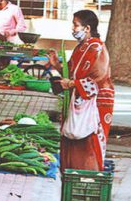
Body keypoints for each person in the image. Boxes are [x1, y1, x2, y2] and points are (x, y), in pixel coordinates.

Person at [47, 10, 115, 172]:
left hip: (95, 102)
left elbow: (99, 77)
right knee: (73, 139)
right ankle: (72, 173)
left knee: (89, 141)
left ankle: (89, 175)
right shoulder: (81, 48)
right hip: (79, 98)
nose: (73, 28)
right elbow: (71, 72)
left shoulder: (97, 48)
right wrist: (57, 65)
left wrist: (71, 84)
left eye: (76, 25)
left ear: (87, 28)